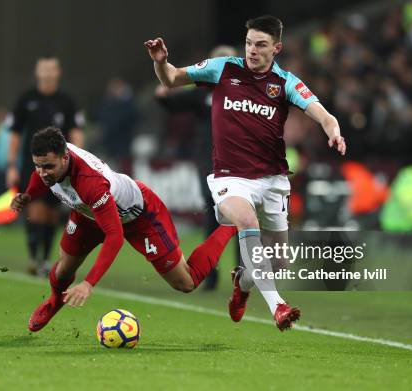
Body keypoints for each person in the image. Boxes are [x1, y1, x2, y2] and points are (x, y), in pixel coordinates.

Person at [145, 15, 346, 331]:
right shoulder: (223, 68)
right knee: (247, 221)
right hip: (230, 177)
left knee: (277, 262)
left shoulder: (286, 83)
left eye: (261, 45)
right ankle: (277, 306)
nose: (252, 50)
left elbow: (323, 114)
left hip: (272, 180)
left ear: (276, 48)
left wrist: (333, 131)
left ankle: (242, 284)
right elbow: (171, 79)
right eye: (249, 43)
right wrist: (161, 63)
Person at [11, 127, 236, 332]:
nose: (43, 172)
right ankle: (54, 301)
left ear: (65, 158)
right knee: (63, 269)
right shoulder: (53, 160)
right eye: (38, 165)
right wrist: (29, 194)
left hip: (139, 217)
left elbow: (115, 236)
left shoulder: (91, 183)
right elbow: (41, 176)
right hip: (89, 214)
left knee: (185, 282)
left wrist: (88, 283)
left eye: (48, 166)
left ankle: (231, 224)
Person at [155, 44, 238, 291]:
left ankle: (244, 275)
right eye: (218, 60)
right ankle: (210, 273)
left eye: (227, 60)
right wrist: (162, 95)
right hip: (210, 163)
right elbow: (172, 104)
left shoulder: (245, 92)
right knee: (214, 214)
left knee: (244, 219)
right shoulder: (203, 92)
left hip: (240, 164)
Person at [7, 56, 84, 276]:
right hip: (31, 166)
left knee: (51, 213)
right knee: (35, 208)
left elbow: (77, 132)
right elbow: (14, 133)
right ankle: (34, 256)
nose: (47, 73)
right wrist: (11, 165)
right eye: (43, 69)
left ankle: (44, 259)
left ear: (57, 72)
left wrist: (79, 160)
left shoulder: (67, 102)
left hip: (60, 167)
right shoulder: (26, 99)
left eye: (51, 69)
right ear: (37, 72)